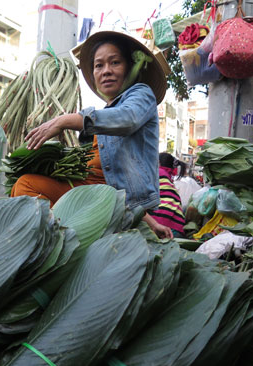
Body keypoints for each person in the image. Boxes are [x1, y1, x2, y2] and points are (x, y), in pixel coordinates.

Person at [10, 30, 173, 239]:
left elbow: (127, 118)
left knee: (26, 187)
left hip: (105, 200)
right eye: (99, 65)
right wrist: (149, 221)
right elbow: (113, 172)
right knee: (25, 185)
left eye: (115, 63)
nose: (106, 71)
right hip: (94, 193)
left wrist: (64, 120)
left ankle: (63, 242)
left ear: (130, 67)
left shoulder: (141, 94)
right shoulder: (105, 113)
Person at [149, 153, 187, 238]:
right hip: (177, 228)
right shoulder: (168, 179)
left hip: (161, 227)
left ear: (158, 162)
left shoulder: (156, 172)